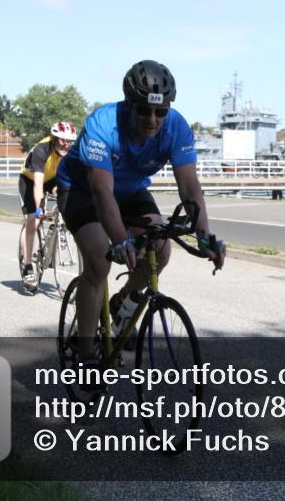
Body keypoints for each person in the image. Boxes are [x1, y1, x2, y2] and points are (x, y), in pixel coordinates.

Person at [57, 60, 224, 363]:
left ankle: (121, 303)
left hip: (131, 190)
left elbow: (190, 188)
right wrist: (121, 241)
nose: (152, 119)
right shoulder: (103, 124)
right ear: (129, 105)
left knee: (160, 249)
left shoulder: (176, 127)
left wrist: (204, 238)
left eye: (160, 112)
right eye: (144, 110)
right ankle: (86, 353)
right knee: (99, 261)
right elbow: (101, 192)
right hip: (82, 190)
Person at [18, 121, 78, 291]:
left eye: (70, 141)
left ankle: (56, 229)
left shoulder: (71, 151)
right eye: (63, 141)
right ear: (54, 138)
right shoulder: (42, 150)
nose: (66, 145)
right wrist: (39, 207)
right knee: (33, 220)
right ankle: (27, 265)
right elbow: (38, 185)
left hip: (52, 179)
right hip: (30, 180)